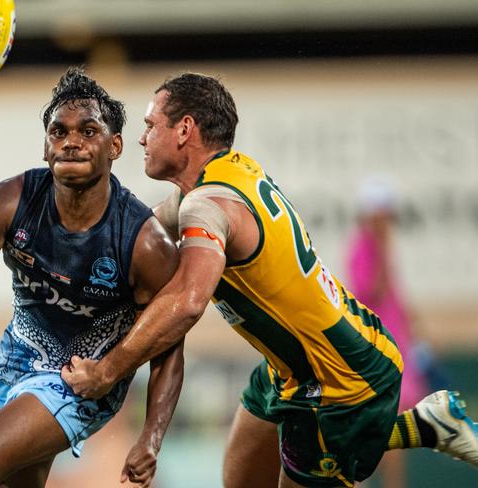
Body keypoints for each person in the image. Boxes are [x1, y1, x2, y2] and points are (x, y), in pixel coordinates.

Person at [62, 72, 478, 487]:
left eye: (151, 126)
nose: (142, 138)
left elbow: (187, 303)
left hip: (340, 381)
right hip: (295, 368)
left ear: (185, 129)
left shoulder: (208, 206)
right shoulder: (224, 175)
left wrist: (107, 371)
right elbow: (136, 234)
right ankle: (425, 425)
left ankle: (423, 427)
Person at [0, 67, 184, 488]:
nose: (71, 142)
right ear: (46, 148)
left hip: (81, 378)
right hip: (14, 362)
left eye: (88, 131)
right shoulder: (11, 201)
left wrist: (151, 438)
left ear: (115, 145)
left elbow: (169, 349)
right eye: (58, 132)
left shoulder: (143, 241)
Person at [346, 178, 428, 487]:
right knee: (387, 431)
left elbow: (396, 297)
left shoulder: (380, 247)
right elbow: (373, 291)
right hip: (380, 351)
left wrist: (418, 337)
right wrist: (381, 248)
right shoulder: (364, 248)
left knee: (394, 432)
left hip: (397, 348)